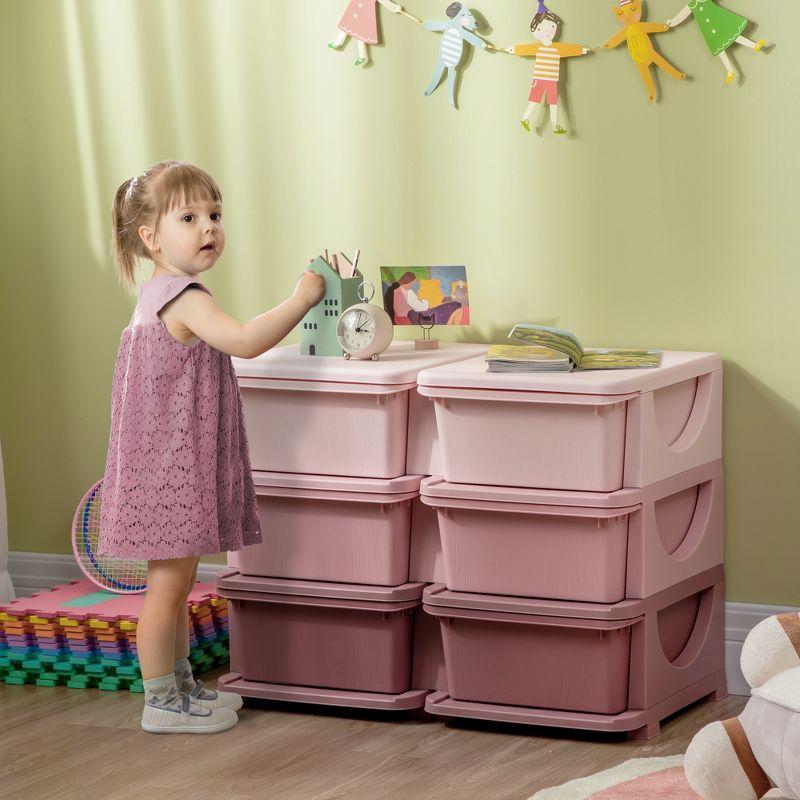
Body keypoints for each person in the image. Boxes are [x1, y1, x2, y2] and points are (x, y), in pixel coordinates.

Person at [97, 160, 325, 734]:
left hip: (169, 466)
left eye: (215, 215)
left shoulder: (158, 293)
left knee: (176, 588)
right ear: (151, 237)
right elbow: (245, 341)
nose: (209, 228)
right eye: (190, 216)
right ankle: (160, 702)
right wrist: (301, 299)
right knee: (167, 591)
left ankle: (178, 688)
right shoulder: (183, 296)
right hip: (171, 470)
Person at [507, 1, 590, 136]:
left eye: (550, 27)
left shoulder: (557, 48)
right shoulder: (538, 47)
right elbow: (525, 49)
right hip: (539, 79)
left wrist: (581, 50)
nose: (546, 32)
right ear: (535, 31)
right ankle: (525, 118)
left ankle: (555, 125)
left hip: (551, 80)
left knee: (553, 103)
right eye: (540, 29)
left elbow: (570, 49)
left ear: (555, 27)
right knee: (534, 100)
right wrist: (514, 49)